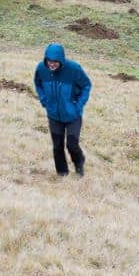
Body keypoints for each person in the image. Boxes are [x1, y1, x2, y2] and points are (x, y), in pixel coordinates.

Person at [34, 43, 91, 177]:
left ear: (61, 60)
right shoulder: (41, 68)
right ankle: (62, 173)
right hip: (54, 114)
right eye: (49, 61)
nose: (51, 64)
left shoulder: (74, 69)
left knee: (71, 144)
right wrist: (44, 100)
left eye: (54, 62)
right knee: (57, 146)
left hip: (72, 115)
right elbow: (38, 84)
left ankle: (79, 163)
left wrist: (78, 105)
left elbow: (86, 85)